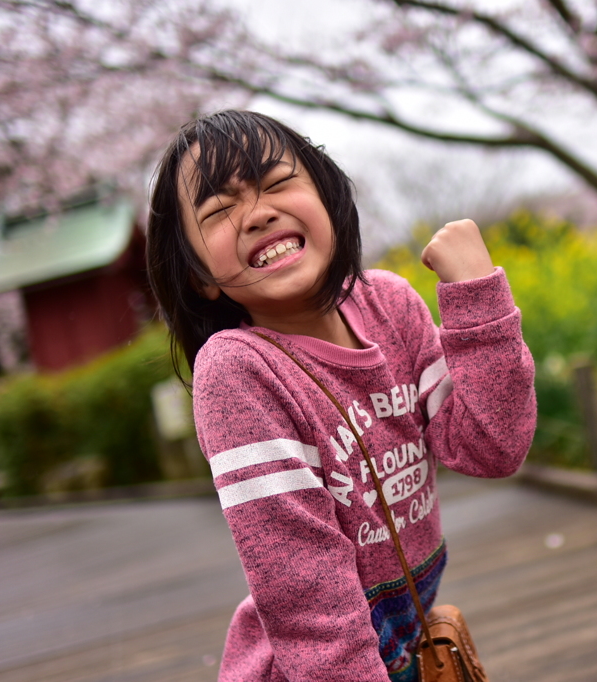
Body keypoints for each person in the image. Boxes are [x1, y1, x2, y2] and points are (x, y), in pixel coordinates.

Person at [145, 109, 536, 682]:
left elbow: (491, 447)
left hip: (407, 646)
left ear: (328, 199)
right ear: (201, 276)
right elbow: (309, 601)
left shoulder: (390, 305)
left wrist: (478, 298)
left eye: (277, 183)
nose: (258, 213)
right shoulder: (238, 370)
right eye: (220, 211)